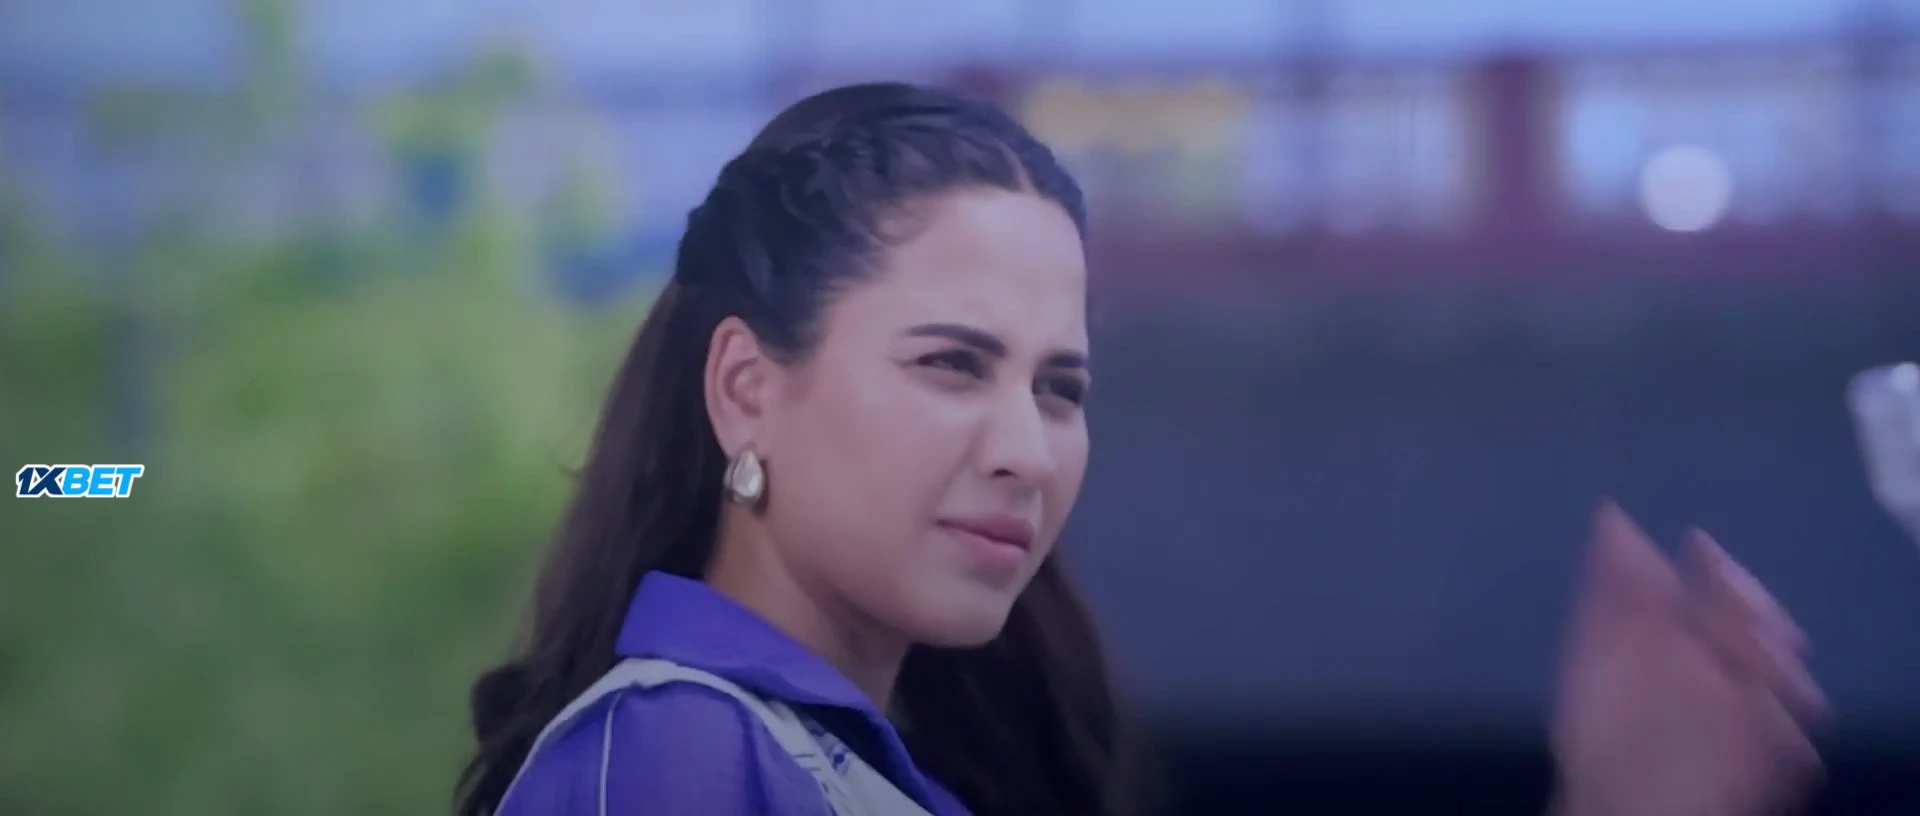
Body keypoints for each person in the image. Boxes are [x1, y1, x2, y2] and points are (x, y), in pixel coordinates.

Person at [455, 82, 1825, 816]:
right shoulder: (675, 751)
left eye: (1061, 388)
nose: (1026, 449)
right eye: (951, 364)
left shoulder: (819, 763)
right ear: (747, 390)